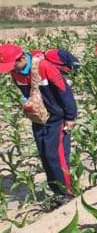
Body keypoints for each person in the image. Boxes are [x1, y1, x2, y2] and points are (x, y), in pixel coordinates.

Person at [0, 43, 78, 202]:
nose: (9, 69)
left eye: (11, 65)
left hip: (57, 117)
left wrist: (70, 117)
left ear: (21, 58)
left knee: (56, 154)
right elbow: (27, 93)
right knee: (44, 153)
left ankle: (67, 192)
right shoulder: (16, 73)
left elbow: (64, 92)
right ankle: (57, 191)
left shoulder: (44, 67)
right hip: (39, 118)